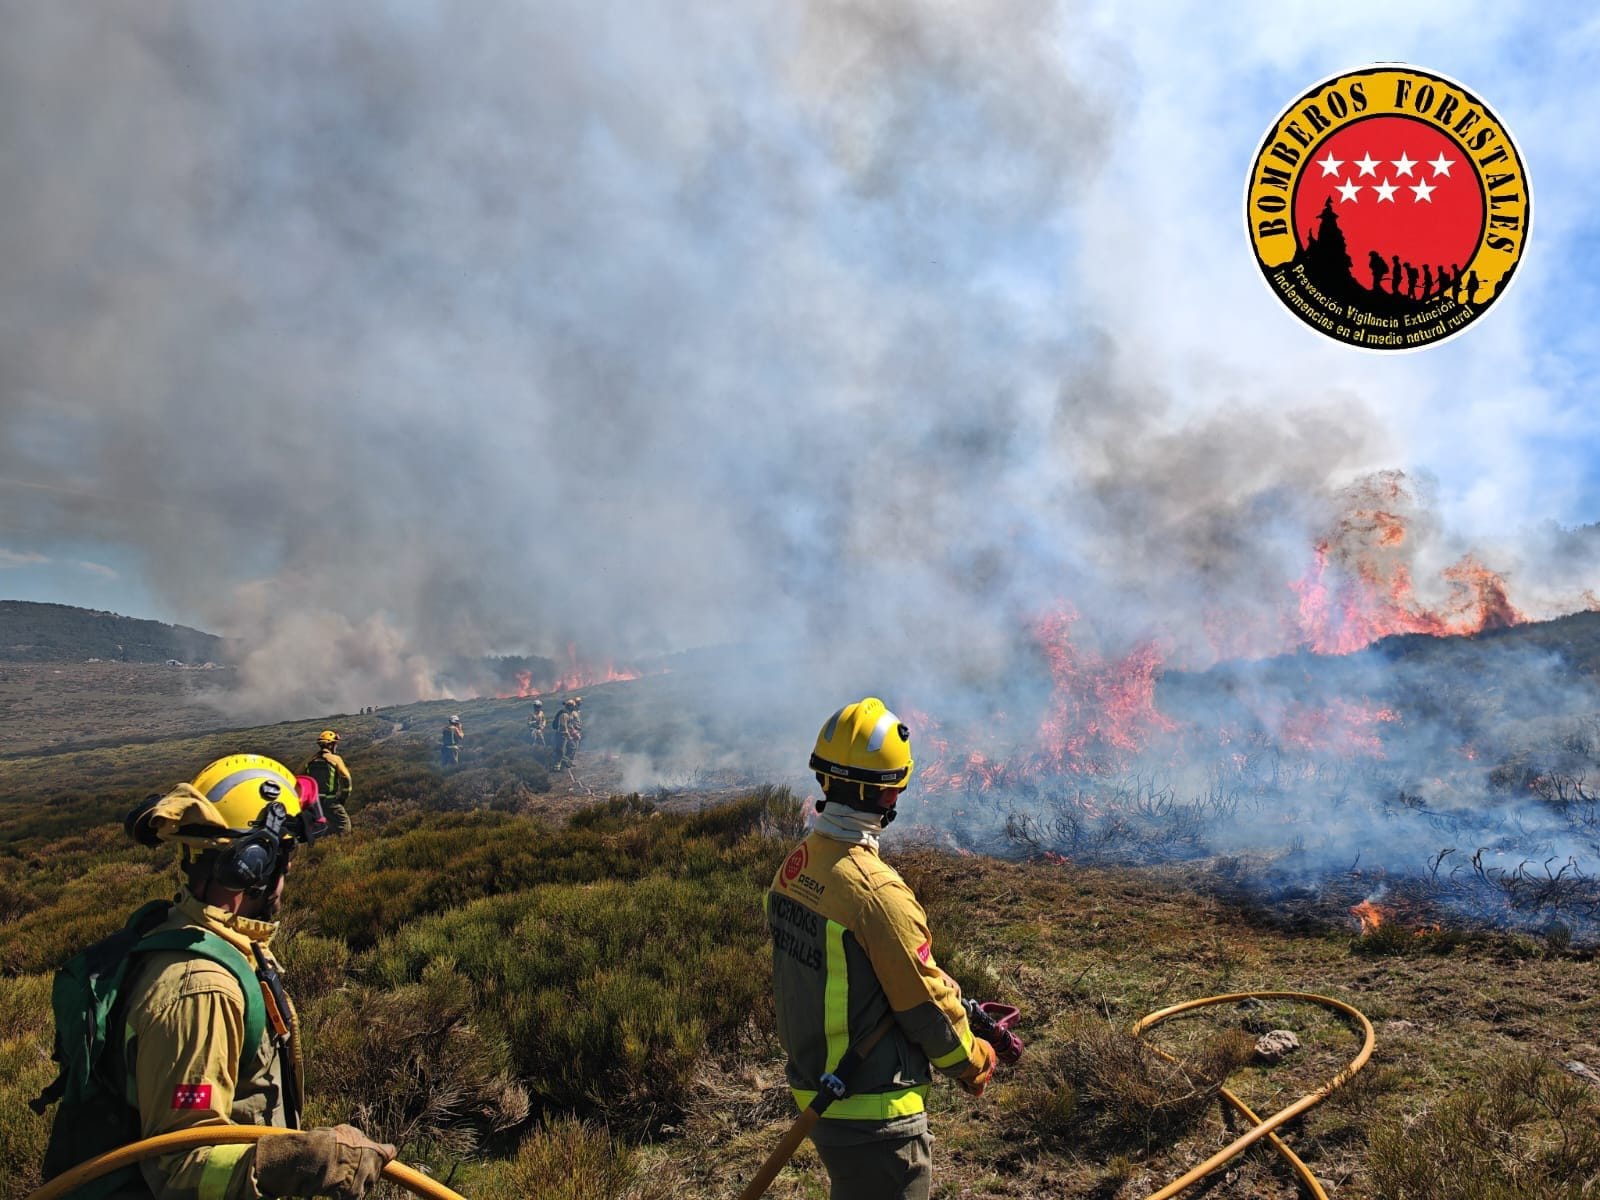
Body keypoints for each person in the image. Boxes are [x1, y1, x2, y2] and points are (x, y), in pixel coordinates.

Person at [51, 754, 395, 1198]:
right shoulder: (202, 989)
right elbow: (181, 1165)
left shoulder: (204, 939)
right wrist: (311, 1160)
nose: (289, 869)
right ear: (253, 865)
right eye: (285, 852)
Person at [767, 698, 997, 1200]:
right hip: (872, 1106)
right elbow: (923, 1005)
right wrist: (974, 1060)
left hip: (819, 1088)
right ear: (892, 791)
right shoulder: (877, 894)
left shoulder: (798, 865)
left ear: (824, 779)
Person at [303, 729, 354, 836]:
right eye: (335, 744)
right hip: (329, 801)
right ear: (330, 745)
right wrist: (343, 798)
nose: (336, 746)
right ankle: (343, 847)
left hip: (313, 802)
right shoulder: (335, 759)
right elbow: (346, 779)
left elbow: (298, 778)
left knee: (319, 827)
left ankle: (319, 847)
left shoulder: (310, 760)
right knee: (344, 826)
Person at [554, 698, 583, 771]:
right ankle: (558, 767)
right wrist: (569, 736)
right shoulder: (564, 715)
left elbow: (570, 725)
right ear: (570, 706)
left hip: (566, 734)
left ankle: (565, 763)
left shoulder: (569, 713)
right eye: (573, 706)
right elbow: (563, 727)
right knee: (560, 751)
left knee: (572, 747)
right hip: (561, 735)